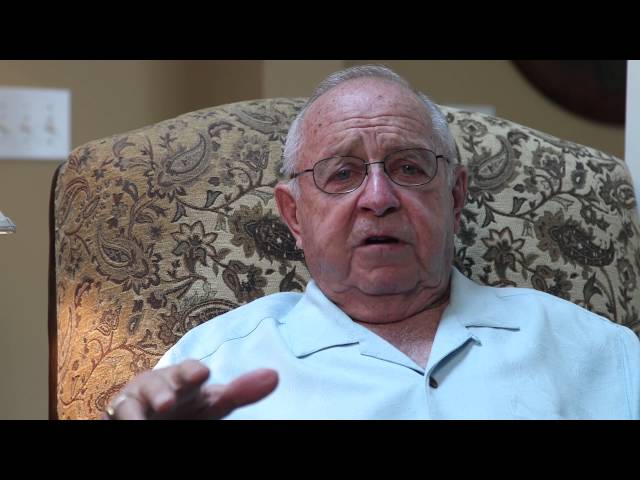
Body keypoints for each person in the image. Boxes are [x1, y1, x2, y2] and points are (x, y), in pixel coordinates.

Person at [103, 65, 640, 420]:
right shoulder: (211, 368)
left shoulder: (600, 352)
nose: (379, 198)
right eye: (342, 174)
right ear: (293, 214)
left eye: (409, 168)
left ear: (455, 197)